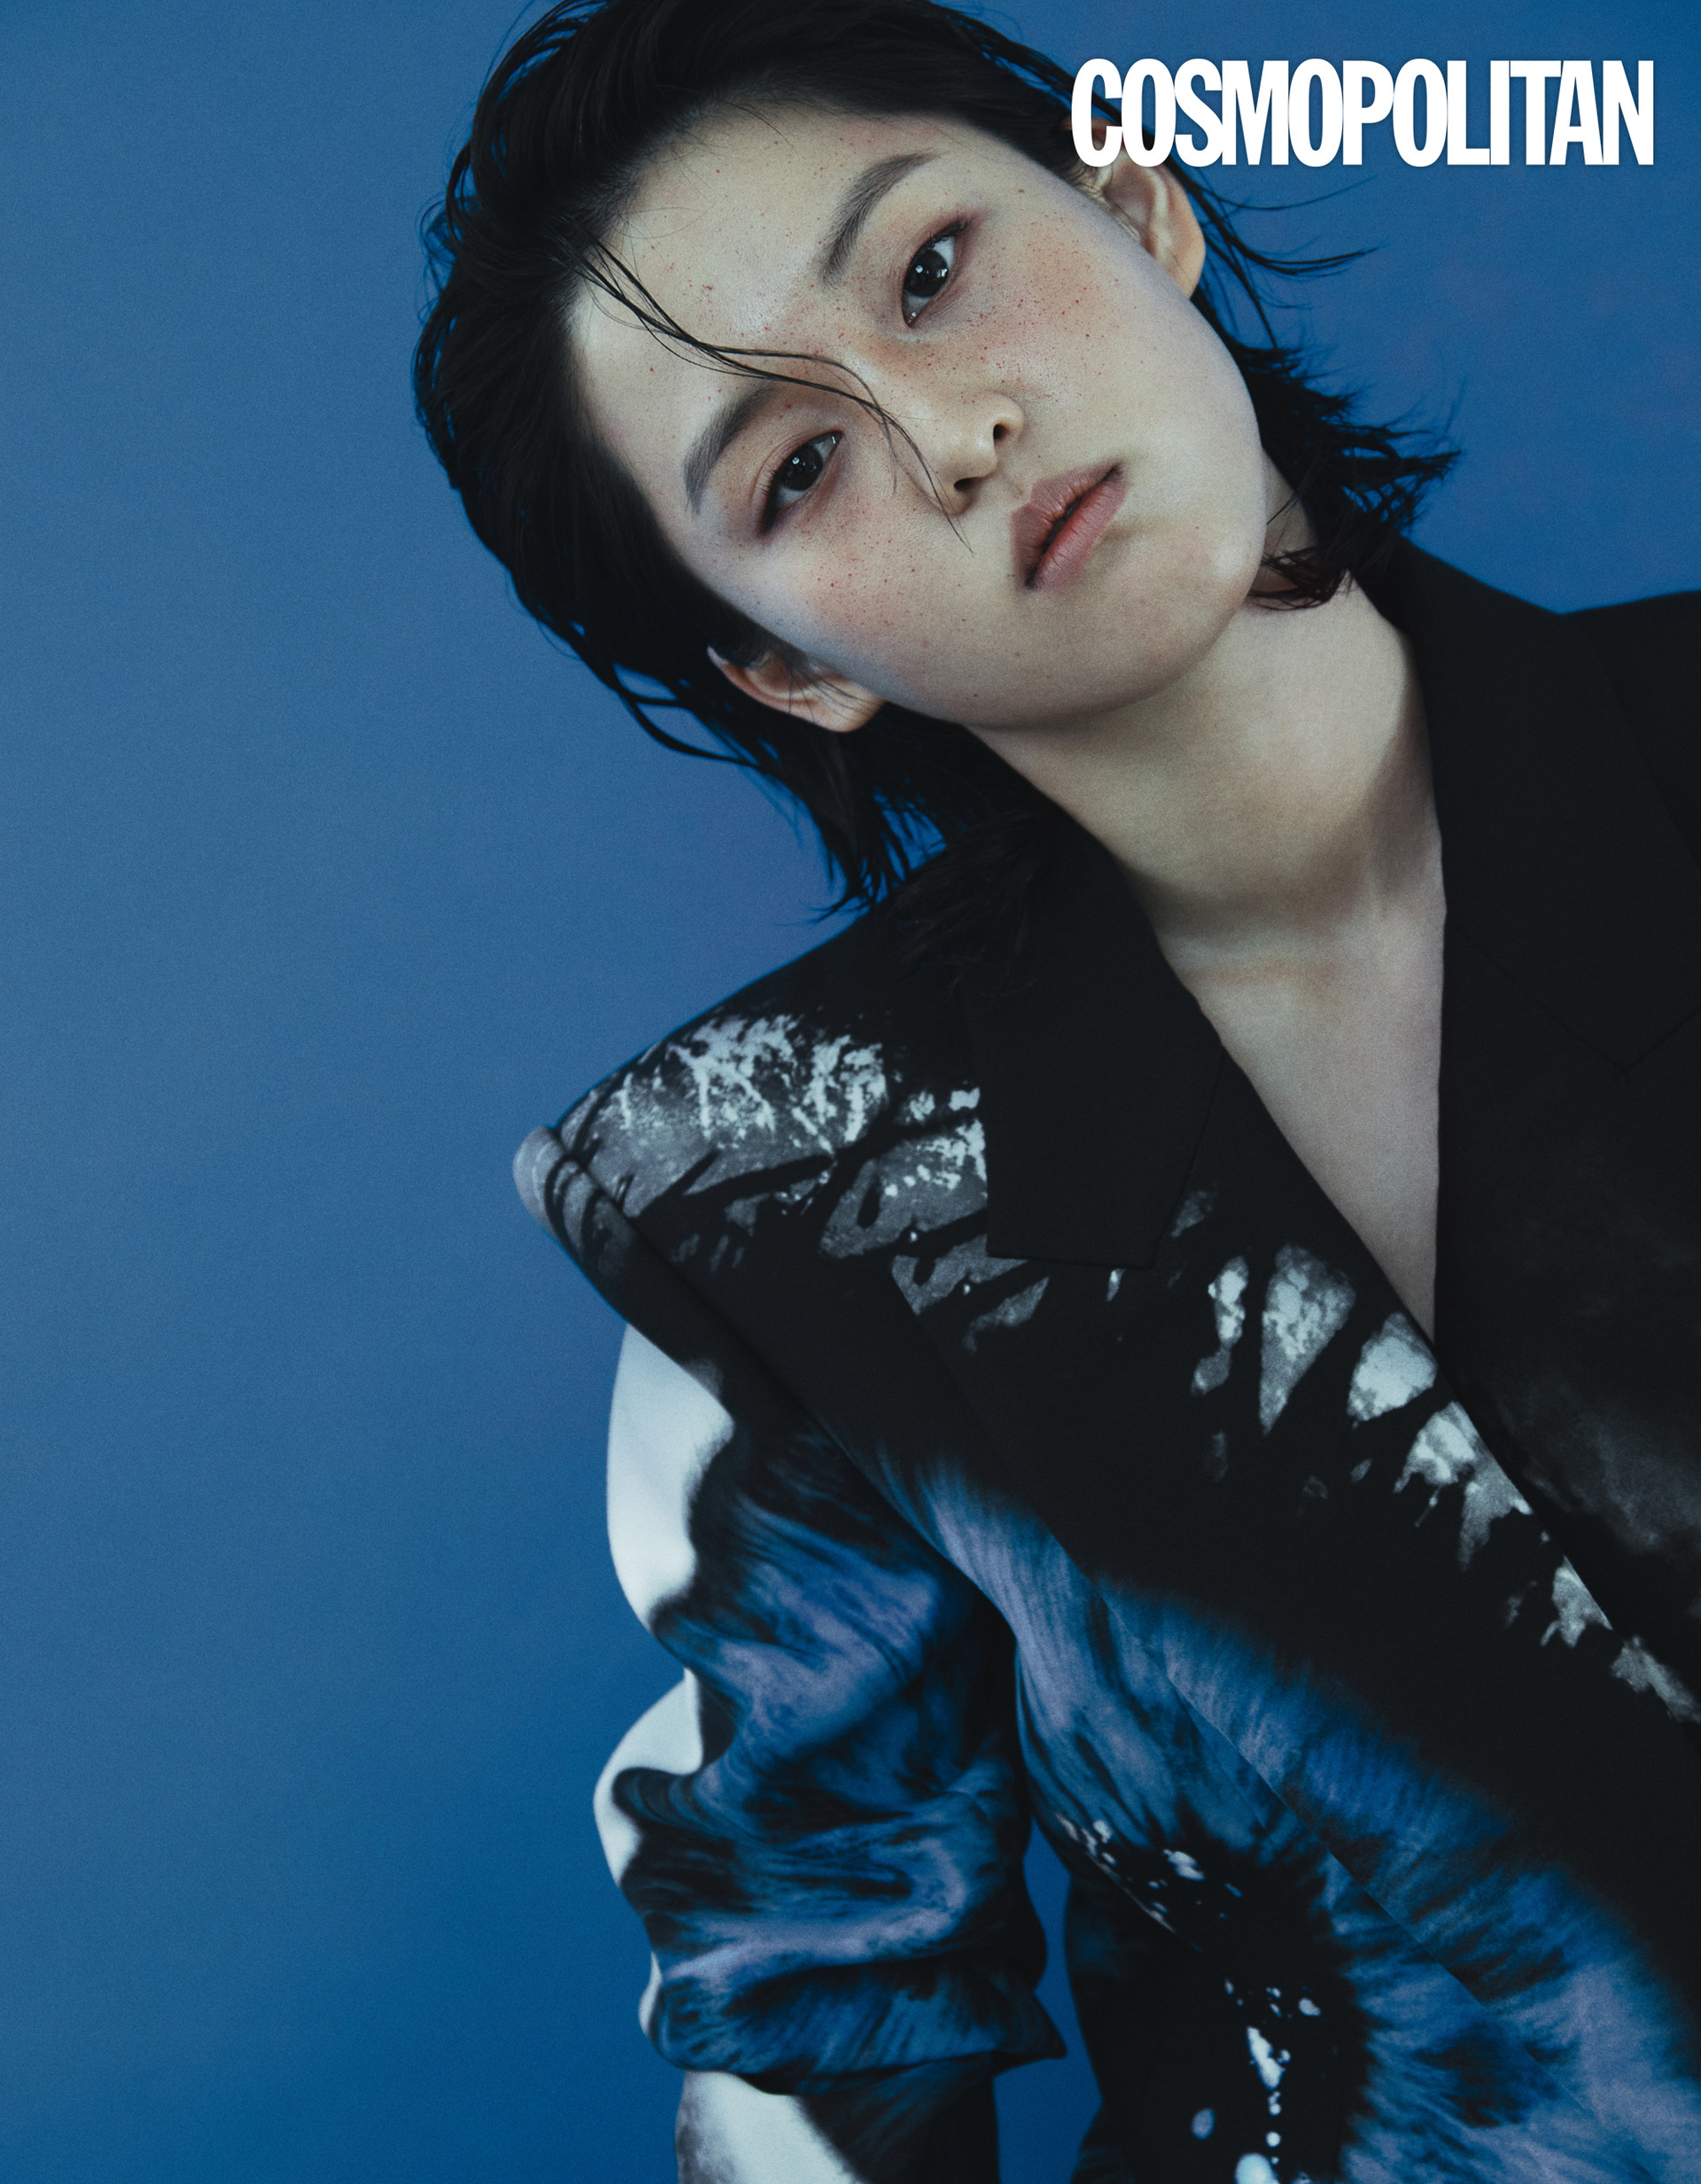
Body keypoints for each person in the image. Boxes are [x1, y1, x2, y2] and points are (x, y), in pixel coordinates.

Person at [414, 3, 1701, 2177]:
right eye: (794, 469)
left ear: (1137, 206)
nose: (954, 433)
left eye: (931, 271)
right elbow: (822, 2037)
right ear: (785, 663)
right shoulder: (778, 1210)